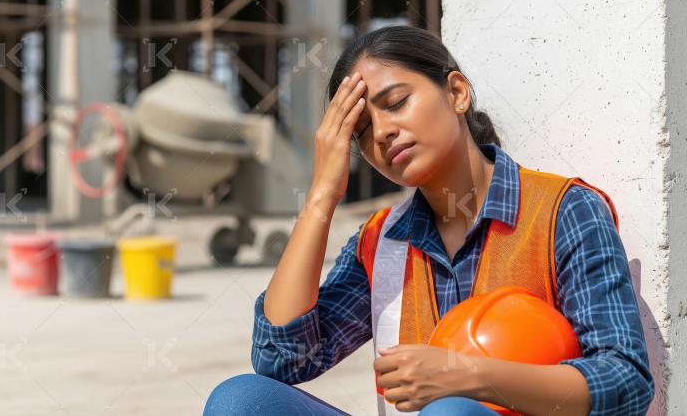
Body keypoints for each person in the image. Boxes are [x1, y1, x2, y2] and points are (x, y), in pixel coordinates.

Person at [204, 25, 654, 415]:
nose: (381, 133)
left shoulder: (564, 210)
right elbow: (283, 359)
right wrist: (322, 194)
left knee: (451, 411)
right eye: (360, 131)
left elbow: (625, 383)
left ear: (456, 92)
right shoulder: (381, 241)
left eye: (396, 102)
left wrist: (466, 376)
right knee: (239, 401)